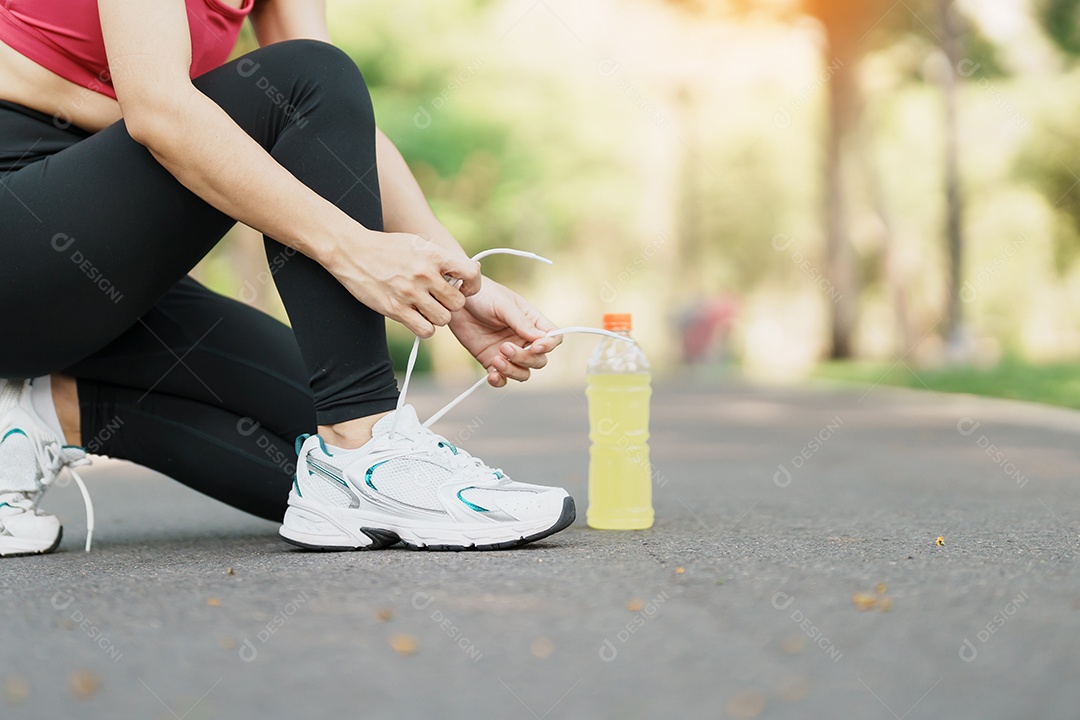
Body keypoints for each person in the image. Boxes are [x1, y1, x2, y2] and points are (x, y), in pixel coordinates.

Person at [0, 0, 576, 556]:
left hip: (91, 264)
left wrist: (458, 283)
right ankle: (366, 447)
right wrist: (356, 251)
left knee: (309, 459)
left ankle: (51, 413)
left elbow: (339, 123)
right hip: (21, 230)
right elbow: (161, 110)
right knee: (307, 75)